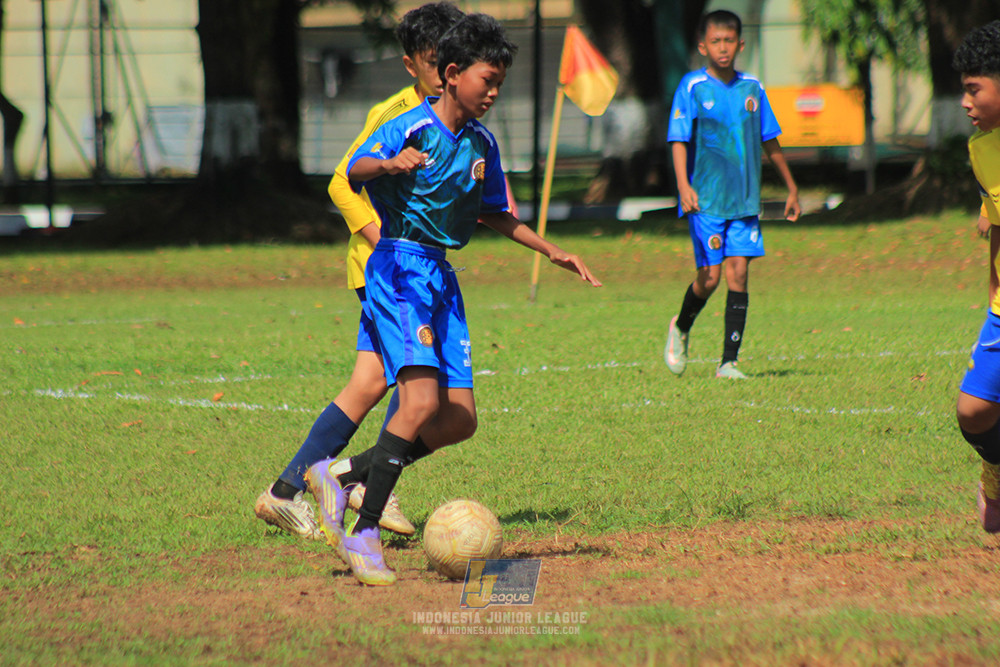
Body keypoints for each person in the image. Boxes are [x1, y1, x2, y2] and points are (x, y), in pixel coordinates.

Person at [304, 13, 602, 586]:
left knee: (459, 419)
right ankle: (363, 533)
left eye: (499, 84)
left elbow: (494, 213)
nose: (492, 93)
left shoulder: (481, 144)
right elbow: (356, 169)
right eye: (486, 81)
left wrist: (551, 252)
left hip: (440, 278)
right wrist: (390, 164)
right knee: (415, 405)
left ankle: (337, 474)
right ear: (451, 73)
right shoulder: (408, 127)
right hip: (398, 270)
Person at [254, 2, 465, 542]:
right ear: (411, 64)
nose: (443, 66)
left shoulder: (457, 120)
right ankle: (366, 486)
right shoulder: (395, 114)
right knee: (416, 384)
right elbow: (341, 182)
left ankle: (284, 492)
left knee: (371, 383)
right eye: (432, 57)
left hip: (409, 270)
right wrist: (383, 242)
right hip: (387, 268)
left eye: (450, 55)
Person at [663, 9, 800, 380]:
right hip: (705, 200)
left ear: (740, 44)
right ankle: (681, 326)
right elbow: (678, 139)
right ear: (703, 45)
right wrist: (683, 185)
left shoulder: (752, 88)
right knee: (710, 277)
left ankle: (728, 362)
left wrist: (790, 186)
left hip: (744, 201)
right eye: (715, 41)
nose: (723, 48)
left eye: (729, 41)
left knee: (738, 274)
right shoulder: (692, 87)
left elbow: (768, 138)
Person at [953, 20, 1000, 533]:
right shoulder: (983, 151)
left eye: (973, 89)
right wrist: (992, 298)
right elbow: (996, 232)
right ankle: (995, 469)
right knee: (973, 412)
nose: (965, 102)